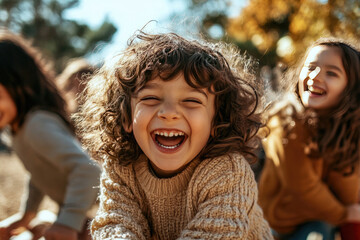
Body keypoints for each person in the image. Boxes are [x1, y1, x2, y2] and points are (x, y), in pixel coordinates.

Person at [75, 31, 273, 239]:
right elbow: (115, 223)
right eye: (151, 98)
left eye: (191, 101)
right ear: (126, 117)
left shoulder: (228, 172)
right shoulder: (122, 168)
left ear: (217, 121)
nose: (169, 113)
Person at [0, 29, 101, 240]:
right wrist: (26, 216)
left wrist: (67, 222)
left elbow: (87, 169)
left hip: (109, 209)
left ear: (21, 84)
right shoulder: (19, 128)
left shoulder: (36, 124)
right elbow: (38, 170)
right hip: (83, 212)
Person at [258, 37, 360, 239]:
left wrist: (345, 141)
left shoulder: (344, 126)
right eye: (310, 67)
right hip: (280, 225)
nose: (315, 76)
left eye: (331, 73)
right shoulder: (287, 120)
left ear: (350, 89)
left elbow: (348, 187)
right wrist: (345, 213)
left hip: (322, 216)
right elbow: (302, 188)